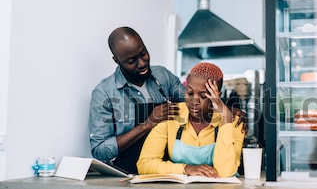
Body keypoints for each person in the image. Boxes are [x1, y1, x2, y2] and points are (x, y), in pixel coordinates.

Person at [89, 27, 246, 174]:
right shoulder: (104, 93)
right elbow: (100, 151)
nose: (142, 63)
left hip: (165, 173)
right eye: (131, 61)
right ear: (116, 60)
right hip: (125, 173)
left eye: (143, 53)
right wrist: (148, 124)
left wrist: (224, 112)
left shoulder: (163, 76)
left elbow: (193, 99)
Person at [137, 62, 245, 178]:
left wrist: (226, 118)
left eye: (204, 96)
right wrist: (185, 168)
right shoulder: (171, 115)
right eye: (189, 92)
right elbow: (144, 164)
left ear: (217, 95)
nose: (194, 101)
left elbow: (225, 172)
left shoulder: (233, 122)